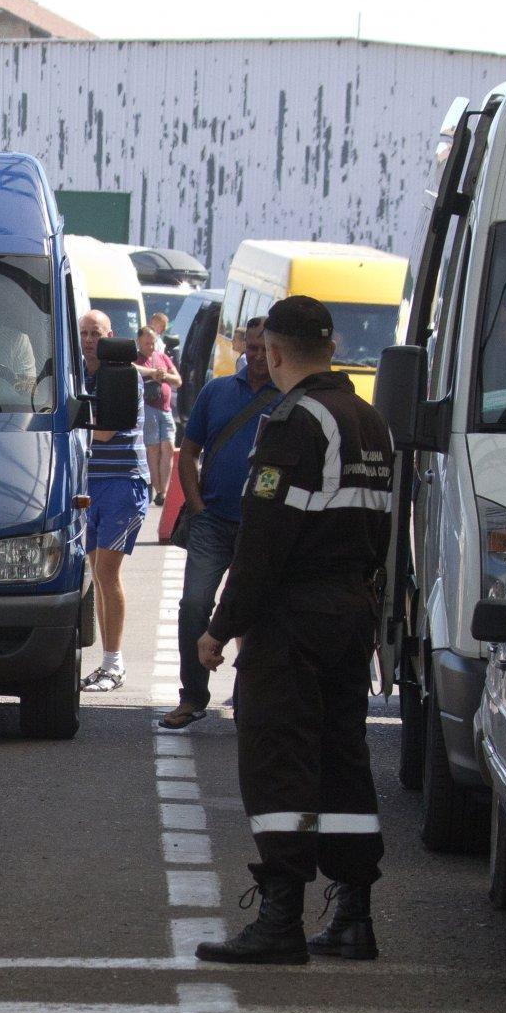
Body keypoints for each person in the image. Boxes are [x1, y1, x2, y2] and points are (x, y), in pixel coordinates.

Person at [193, 296, 395, 965]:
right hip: (351, 610)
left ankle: (281, 917)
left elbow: (265, 539)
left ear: (274, 353)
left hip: (295, 617)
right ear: (331, 349)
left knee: (279, 755)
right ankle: (352, 913)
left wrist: (220, 627)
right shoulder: (370, 423)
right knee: (342, 757)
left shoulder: (292, 422)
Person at [160, 318, 274, 731]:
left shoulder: (291, 398)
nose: (259, 356)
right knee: (194, 605)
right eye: (253, 347)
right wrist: (197, 504)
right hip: (213, 520)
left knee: (256, 612)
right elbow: (188, 452)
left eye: (266, 348)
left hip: (263, 528)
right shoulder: (218, 391)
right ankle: (192, 697)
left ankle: (249, 698)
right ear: (242, 346)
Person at [78, 308, 148, 692]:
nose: (90, 340)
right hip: (90, 481)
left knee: (106, 573)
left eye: (96, 333)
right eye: (84, 333)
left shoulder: (124, 377)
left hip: (122, 481)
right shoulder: (75, 374)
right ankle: (107, 662)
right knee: (95, 573)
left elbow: (102, 434)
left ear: (110, 336)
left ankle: (114, 663)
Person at [136, 326, 180, 495]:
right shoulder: (136, 358)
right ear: (139, 341)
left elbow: (178, 380)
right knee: (152, 449)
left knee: (168, 447)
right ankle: (156, 488)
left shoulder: (161, 357)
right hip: (148, 407)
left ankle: (164, 491)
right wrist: (152, 373)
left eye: (153, 343)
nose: (151, 347)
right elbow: (134, 369)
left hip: (166, 409)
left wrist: (163, 376)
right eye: (147, 343)